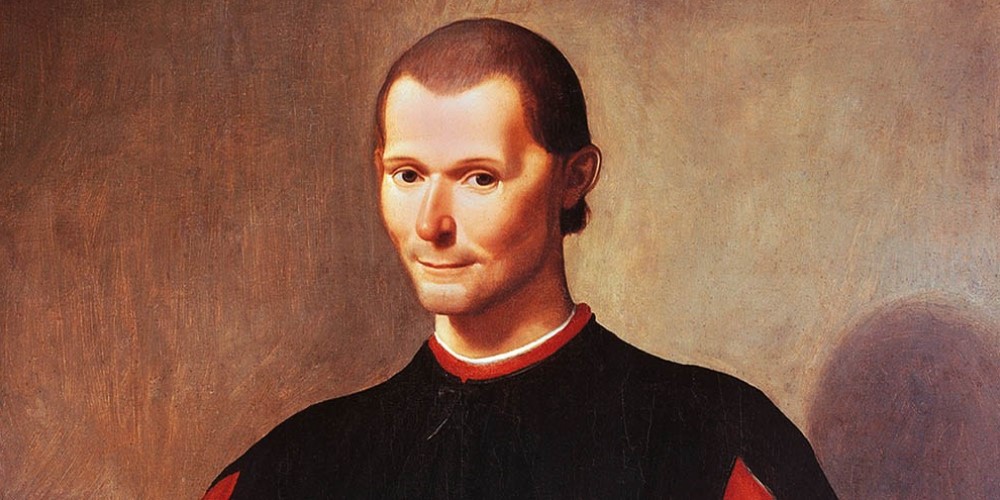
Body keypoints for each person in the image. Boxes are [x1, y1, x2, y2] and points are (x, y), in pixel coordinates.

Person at [203, 18, 837, 499]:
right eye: (407, 175)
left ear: (574, 177)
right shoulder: (286, 470)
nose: (430, 224)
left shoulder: (715, 441)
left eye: (479, 178)